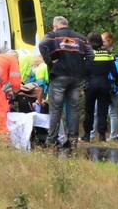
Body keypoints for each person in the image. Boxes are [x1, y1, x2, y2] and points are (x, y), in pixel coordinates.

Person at [37, 15, 93, 150]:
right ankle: (72, 140)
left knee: (56, 109)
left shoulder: (53, 35)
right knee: (73, 109)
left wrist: (50, 62)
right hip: (76, 78)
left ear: (56, 25)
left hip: (59, 76)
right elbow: (91, 55)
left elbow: (42, 44)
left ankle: (52, 141)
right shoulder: (80, 38)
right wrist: (83, 68)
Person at [82, 32, 116, 142]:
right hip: (104, 84)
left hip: (90, 84)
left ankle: (87, 135)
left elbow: (82, 70)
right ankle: (102, 135)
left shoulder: (87, 54)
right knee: (103, 111)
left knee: (89, 110)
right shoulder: (107, 54)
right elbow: (114, 71)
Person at [100, 31, 118, 137]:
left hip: (112, 84)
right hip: (102, 83)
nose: (101, 43)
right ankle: (92, 135)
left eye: (103, 41)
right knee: (97, 110)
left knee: (113, 111)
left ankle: (113, 135)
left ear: (109, 41)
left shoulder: (115, 55)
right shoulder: (99, 52)